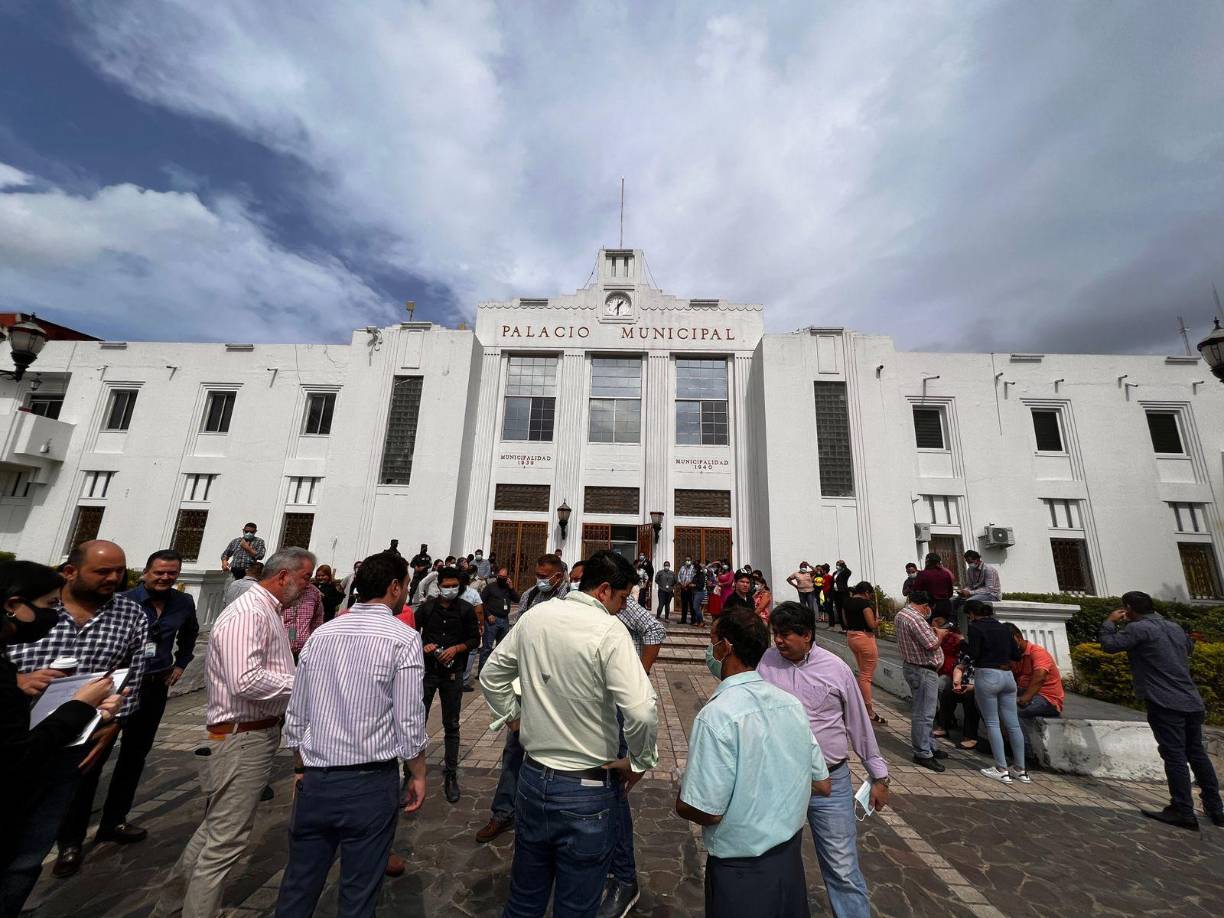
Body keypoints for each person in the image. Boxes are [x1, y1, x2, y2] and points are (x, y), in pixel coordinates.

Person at [481, 551, 658, 917]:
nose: (623, 607)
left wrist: (514, 717)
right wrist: (639, 761)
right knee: (576, 906)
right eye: (622, 598)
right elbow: (641, 710)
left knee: (524, 900)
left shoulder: (536, 617)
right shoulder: (609, 629)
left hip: (533, 778)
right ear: (604, 590)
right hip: (586, 789)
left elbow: (491, 676)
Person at [152, 548, 314, 918]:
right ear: (283, 575)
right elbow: (247, 680)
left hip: (251, 733)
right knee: (226, 841)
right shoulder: (249, 613)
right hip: (242, 737)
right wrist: (305, 684)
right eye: (305, 578)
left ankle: (171, 906)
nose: (308, 587)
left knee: (214, 829)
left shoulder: (266, 610)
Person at [274, 551, 428, 918]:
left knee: (299, 885)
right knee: (359, 893)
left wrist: (300, 767)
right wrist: (418, 773)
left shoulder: (322, 635)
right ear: (395, 587)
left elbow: (297, 713)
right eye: (406, 585)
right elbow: (409, 719)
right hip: (369, 782)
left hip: (317, 779)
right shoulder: (403, 638)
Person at [2, 541, 148, 894]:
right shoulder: (35, 608)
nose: (113, 578)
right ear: (70, 571)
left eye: (119, 571)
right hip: (15, 738)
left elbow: (133, 672)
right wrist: (16, 680)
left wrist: (114, 722)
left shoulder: (130, 615)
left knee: (29, 852)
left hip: (77, 737)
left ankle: (69, 845)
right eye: (103, 571)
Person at [678, 608, 830, 918]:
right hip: (788, 858)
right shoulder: (790, 703)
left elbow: (707, 810)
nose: (710, 650)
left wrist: (682, 798)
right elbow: (821, 781)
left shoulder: (717, 716)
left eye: (712, 642)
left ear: (726, 647)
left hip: (741, 871)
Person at [758, 602, 888, 918]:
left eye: (785, 634)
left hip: (830, 782)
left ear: (807, 634)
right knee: (771, 859)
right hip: (778, 781)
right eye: (776, 634)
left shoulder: (836, 669)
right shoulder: (766, 662)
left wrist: (879, 776)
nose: (778, 641)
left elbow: (858, 723)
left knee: (842, 866)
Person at [80, 550, 200, 855]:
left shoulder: (182, 602)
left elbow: (190, 634)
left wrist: (181, 662)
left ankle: (114, 821)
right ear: (146, 572)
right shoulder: (122, 602)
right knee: (94, 757)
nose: (165, 578)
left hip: (153, 685)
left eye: (172, 573)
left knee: (134, 757)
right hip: (116, 689)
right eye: (159, 572)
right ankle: (71, 838)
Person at [565, 562, 665, 918]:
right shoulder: (564, 606)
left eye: (580, 580)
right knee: (586, 786)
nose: (575, 586)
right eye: (573, 580)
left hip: (617, 704)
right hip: (583, 710)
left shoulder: (620, 608)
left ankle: (622, 875)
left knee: (612, 787)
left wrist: (639, 672)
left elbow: (654, 628)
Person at [1099, 591, 1223, 830]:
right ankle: (1216, 809)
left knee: (1174, 755)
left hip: (1164, 701)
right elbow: (1189, 648)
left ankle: (1182, 809)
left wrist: (1110, 622)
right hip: (1190, 698)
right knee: (1197, 753)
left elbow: (1110, 645)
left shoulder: (1138, 628)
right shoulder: (1174, 627)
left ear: (1128, 608)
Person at [475, 555, 568, 844]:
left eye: (545, 575)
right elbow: (518, 635)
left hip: (557, 689)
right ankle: (503, 811)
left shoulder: (570, 599)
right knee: (514, 750)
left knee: (556, 754)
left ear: (559, 576)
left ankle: (551, 816)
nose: (541, 579)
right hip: (525, 684)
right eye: (538, 574)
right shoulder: (530, 595)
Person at [415, 567, 478, 803]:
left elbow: (474, 639)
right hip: (428, 671)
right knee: (418, 721)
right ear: (439, 585)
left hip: (453, 672)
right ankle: (411, 773)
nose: (450, 589)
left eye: (454, 586)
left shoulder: (466, 609)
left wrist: (457, 648)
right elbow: (411, 634)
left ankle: (451, 773)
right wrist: (424, 646)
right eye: (446, 585)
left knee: (451, 723)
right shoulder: (427, 608)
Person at [965, 600, 1026, 785]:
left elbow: (973, 653)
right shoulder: (1005, 628)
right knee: (1013, 724)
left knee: (992, 722)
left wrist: (964, 649)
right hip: (1007, 676)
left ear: (972, 614)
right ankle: (1020, 769)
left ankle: (1001, 768)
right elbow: (1016, 655)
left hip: (988, 674)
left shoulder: (975, 627)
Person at [893, 590, 948, 772]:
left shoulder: (902, 614)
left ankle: (930, 745)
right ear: (925, 606)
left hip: (914, 667)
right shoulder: (916, 618)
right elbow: (931, 644)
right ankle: (923, 752)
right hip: (923, 670)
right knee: (924, 714)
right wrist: (941, 634)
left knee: (925, 712)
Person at [842, 581, 885, 724]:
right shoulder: (865, 604)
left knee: (862, 672)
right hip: (865, 638)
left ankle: (859, 704)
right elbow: (871, 624)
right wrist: (878, 621)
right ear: (866, 592)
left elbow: (845, 621)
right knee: (866, 676)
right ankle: (868, 710)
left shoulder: (847, 602)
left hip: (851, 637)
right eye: (870, 594)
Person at [480, 566, 519, 671]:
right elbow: (481, 602)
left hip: (504, 620)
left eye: (504, 577)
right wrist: (488, 614)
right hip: (492, 620)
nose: (502, 578)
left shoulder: (508, 588)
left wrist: (511, 588)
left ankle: (495, 671)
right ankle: (482, 672)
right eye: (500, 576)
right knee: (487, 647)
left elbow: (517, 599)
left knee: (501, 648)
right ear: (497, 576)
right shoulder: (490, 587)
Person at [282, 580, 325, 662]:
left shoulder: (313, 592)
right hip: (280, 650)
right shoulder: (280, 588)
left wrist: (314, 643)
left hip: (304, 651)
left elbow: (317, 620)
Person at [459, 572, 486, 691]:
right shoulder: (473, 593)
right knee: (471, 651)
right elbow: (479, 611)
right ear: (469, 581)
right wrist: (481, 625)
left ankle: (453, 677)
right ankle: (463, 680)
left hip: (455, 626)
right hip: (470, 627)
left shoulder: (453, 592)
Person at [911, 553, 955, 621]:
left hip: (931, 606)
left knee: (931, 626)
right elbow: (950, 593)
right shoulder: (946, 573)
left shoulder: (923, 574)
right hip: (946, 605)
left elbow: (916, 591)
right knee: (945, 625)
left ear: (927, 562)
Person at [831, 561, 852, 629]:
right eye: (836, 564)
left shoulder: (845, 572)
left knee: (845, 609)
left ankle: (848, 626)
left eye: (839, 565)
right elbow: (832, 582)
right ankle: (843, 627)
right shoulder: (835, 573)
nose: (837, 566)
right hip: (836, 593)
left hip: (843, 592)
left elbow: (849, 572)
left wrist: (844, 565)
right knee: (838, 609)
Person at [676, 557, 696, 624]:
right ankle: (683, 620)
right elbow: (679, 576)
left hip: (690, 589)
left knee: (692, 605)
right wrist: (681, 583)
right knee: (684, 605)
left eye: (688, 560)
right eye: (686, 560)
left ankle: (693, 620)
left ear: (691, 560)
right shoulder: (682, 568)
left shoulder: (693, 568)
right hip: (683, 588)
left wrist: (687, 584)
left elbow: (693, 578)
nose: (687, 561)